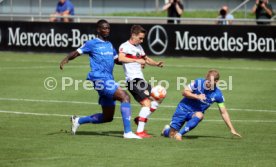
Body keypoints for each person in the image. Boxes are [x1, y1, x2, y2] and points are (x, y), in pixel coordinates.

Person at [59, 19, 141, 139]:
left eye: (108, 28)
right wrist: (66, 58)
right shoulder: (92, 43)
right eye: (104, 28)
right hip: (99, 79)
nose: (107, 30)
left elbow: (117, 60)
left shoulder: (109, 45)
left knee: (107, 117)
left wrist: (134, 60)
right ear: (98, 29)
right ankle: (128, 132)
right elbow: (77, 52)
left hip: (109, 79)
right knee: (125, 97)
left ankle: (78, 120)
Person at [162, 69, 241, 141]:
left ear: (216, 81)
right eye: (207, 80)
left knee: (200, 115)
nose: (207, 82)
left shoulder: (218, 95)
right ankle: (166, 130)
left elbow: (223, 112)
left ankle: (180, 134)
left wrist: (232, 129)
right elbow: (184, 92)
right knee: (171, 135)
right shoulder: (198, 82)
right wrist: (197, 96)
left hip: (195, 113)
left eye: (210, 81)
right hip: (182, 109)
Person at [118, 25, 164, 138]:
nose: (142, 40)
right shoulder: (125, 46)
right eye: (140, 38)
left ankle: (140, 119)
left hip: (140, 80)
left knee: (159, 97)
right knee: (147, 104)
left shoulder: (139, 47)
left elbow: (146, 59)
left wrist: (156, 64)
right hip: (133, 81)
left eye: (143, 38)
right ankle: (140, 131)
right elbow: (121, 58)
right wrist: (136, 60)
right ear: (133, 35)